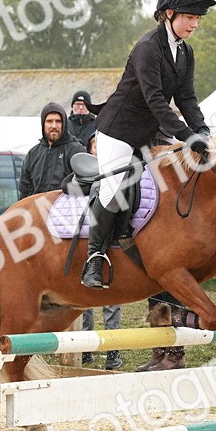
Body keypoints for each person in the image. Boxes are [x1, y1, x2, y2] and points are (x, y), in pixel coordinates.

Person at [82, 0, 215, 371]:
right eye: (190, 16)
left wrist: (203, 129)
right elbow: (158, 101)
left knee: (168, 188)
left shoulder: (185, 52)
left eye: (197, 18)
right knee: (116, 186)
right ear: (169, 14)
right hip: (118, 132)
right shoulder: (146, 48)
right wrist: (184, 135)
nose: (194, 24)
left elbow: (187, 98)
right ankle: (95, 256)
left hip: (149, 135)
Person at [75, 131, 124, 370]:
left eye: (100, 147)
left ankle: (113, 349)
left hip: (113, 247)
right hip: (83, 243)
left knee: (111, 300)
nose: (97, 150)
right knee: (85, 302)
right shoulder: (84, 179)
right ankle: (85, 347)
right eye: (93, 147)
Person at [18, 102, 86, 201]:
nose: (54, 126)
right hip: (37, 212)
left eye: (58, 121)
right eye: (49, 121)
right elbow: (25, 191)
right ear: (43, 124)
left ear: (64, 124)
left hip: (67, 212)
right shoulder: (33, 154)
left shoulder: (76, 151)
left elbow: (85, 189)